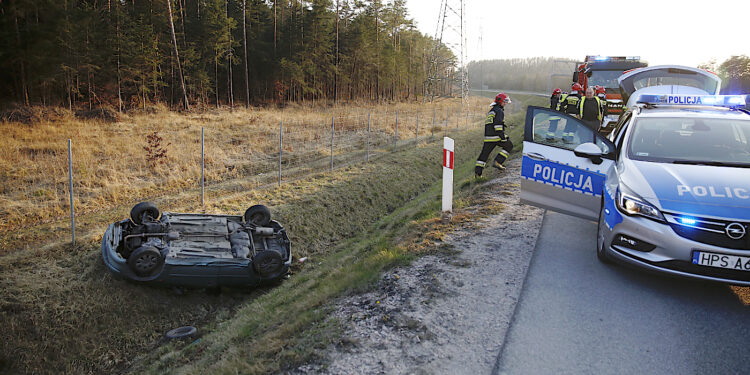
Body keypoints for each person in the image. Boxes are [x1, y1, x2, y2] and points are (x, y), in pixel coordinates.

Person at [475, 93, 513, 177]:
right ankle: (498, 162)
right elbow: (498, 126)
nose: (505, 104)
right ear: (500, 102)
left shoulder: (492, 110)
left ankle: (478, 174)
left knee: (484, 155)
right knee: (509, 145)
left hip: (488, 137)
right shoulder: (499, 111)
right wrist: (503, 137)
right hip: (496, 136)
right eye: (504, 102)